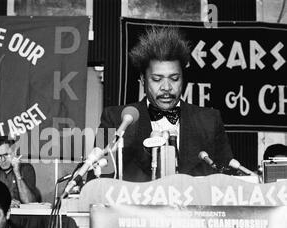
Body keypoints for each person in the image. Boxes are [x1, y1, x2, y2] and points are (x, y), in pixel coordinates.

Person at [92, 26, 233, 182]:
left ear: (183, 79)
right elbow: (97, 179)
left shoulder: (210, 121)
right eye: (157, 79)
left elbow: (226, 180)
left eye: (174, 78)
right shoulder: (114, 119)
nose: (166, 88)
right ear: (143, 80)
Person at [0, 136, 41, 205]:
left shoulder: (26, 168)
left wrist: (17, 173)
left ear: (14, 152)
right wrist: (6, 203)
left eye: (6, 155)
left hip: (21, 215)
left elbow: (29, 202)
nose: (3, 160)